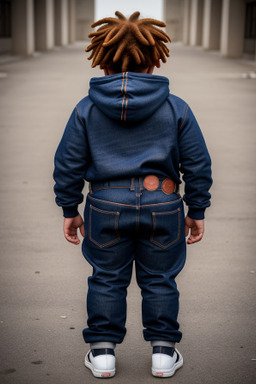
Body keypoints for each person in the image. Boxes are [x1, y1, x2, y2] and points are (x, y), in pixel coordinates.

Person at [53, 11, 212, 379]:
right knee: (160, 279)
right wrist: (197, 209)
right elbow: (197, 163)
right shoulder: (177, 108)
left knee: (107, 277)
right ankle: (162, 354)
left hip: (105, 205)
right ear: (155, 62)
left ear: (102, 64)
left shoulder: (86, 109)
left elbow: (68, 163)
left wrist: (69, 207)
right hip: (165, 205)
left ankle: (104, 353)